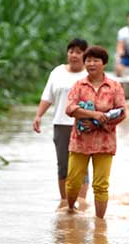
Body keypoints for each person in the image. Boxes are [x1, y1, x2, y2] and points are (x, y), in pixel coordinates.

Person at [65, 46, 127, 217]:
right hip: (80, 141)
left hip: (105, 142)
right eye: (88, 60)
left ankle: (100, 223)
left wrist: (99, 124)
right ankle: (71, 209)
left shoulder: (114, 86)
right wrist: (94, 114)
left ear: (104, 63)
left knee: (101, 185)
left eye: (95, 60)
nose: (91, 64)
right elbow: (70, 108)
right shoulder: (79, 85)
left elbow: (122, 112)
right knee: (73, 181)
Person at [33, 38, 89, 208]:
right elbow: (47, 97)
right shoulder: (57, 72)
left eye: (78, 52)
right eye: (71, 51)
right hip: (61, 124)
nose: (74, 55)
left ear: (85, 55)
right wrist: (38, 116)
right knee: (63, 165)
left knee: (82, 166)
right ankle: (66, 204)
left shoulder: (89, 74)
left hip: (83, 125)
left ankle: (82, 202)